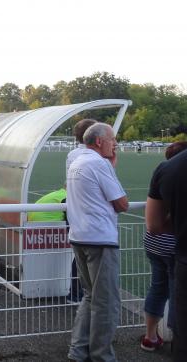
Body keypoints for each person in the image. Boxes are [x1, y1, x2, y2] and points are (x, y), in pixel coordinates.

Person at [66, 122, 128, 362]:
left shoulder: (77, 161)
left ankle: (78, 351)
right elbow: (121, 203)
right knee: (107, 302)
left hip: (79, 237)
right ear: (100, 141)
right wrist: (110, 167)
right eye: (113, 139)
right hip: (100, 240)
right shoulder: (97, 163)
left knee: (90, 297)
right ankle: (102, 356)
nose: (116, 144)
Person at [140, 141, 187, 352]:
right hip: (172, 248)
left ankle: (150, 336)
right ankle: (176, 337)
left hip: (153, 244)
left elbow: (152, 223)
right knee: (176, 293)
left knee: (158, 288)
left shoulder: (165, 174)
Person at [65, 118, 96, 304]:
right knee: (90, 256)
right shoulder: (93, 157)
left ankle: (77, 293)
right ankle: (84, 294)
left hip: (74, 208)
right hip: (89, 212)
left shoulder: (72, 154)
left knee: (80, 254)